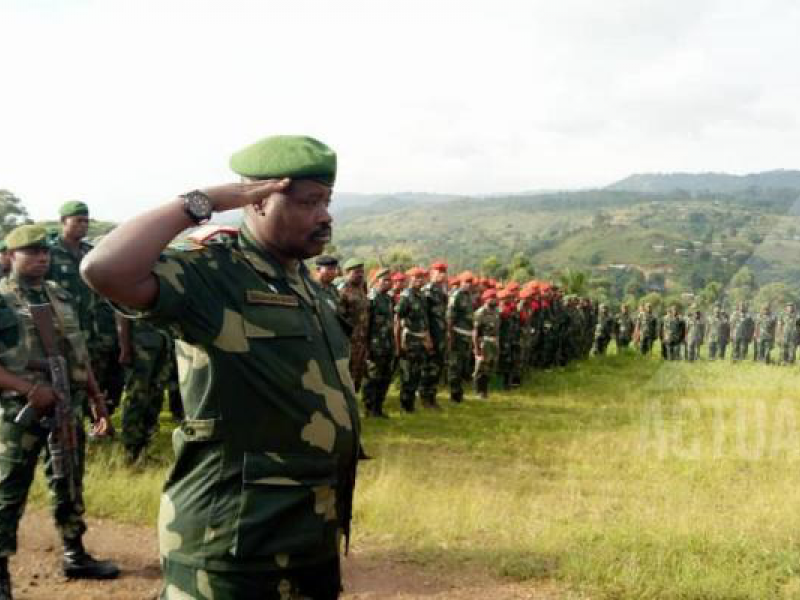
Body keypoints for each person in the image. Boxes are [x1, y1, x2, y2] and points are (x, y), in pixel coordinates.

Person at [81, 135, 360, 599]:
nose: (325, 215)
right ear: (259, 201)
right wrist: (204, 201)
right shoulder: (215, 272)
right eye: (310, 201)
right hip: (233, 538)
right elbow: (105, 269)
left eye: (327, 201)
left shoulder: (307, 286)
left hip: (309, 532)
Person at [0, 225, 118, 600]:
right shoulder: (2, 300)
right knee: (8, 489)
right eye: (31, 251)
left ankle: (74, 553)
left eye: (45, 251)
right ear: (9, 256)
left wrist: (97, 395)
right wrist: (29, 390)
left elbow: (77, 352)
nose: (41, 257)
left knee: (68, 479)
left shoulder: (61, 295)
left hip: (66, 403)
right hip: (16, 412)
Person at [394, 267, 432, 412]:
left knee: (417, 373)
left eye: (421, 277)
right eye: (416, 278)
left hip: (421, 340)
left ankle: (411, 403)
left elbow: (424, 319)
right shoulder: (406, 296)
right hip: (409, 340)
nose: (419, 280)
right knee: (408, 374)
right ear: (410, 279)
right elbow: (397, 320)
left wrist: (428, 339)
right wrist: (398, 344)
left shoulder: (421, 296)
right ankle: (405, 404)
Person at [362, 268, 395, 417]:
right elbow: (365, 325)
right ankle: (369, 407)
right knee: (373, 378)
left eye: (389, 280)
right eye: (385, 280)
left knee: (385, 377)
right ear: (377, 281)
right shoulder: (371, 299)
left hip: (387, 345)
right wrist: (366, 347)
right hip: (374, 346)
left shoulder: (388, 299)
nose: (388, 282)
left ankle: (378, 407)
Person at [419, 262, 449, 408]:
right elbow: (423, 316)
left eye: (444, 272)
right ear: (431, 272)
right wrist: (427, 337)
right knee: (428, 366)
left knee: (437, 366)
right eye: (439, 271)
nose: (441, 274)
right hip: (431, 334)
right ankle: (425, 396)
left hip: (440, 334)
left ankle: (432, 396)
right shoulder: (427, 291)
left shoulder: (441, 291)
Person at [337, 259, 369, 391]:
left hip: (362, 340)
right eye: (356, 272)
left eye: (361, 272)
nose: (360, 275)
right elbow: (339, 317)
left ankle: (353, 402)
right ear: (347, 273)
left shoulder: (362, 288)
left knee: (359, 372)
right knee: (346, 374)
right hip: (348, 341)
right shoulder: (342, 290)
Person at [446, 272, 474, 403]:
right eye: (466, 282)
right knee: (455, 366)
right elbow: (450, 317)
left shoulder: (468, 296)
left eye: (470, 282)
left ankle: (459, 392)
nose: (468, 284)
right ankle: (454, 394)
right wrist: (450, 336)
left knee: (463, 365)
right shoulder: (455, 295)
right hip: (457, 334)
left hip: (466, 336)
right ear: (460, 282)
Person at [473, 288, 500, 399]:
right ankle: (479, 391)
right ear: (486, 299)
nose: (494, 300)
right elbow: (475, 332)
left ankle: (485, 391)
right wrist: (477, 348)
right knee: (481, 368)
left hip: (493, 342)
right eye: (492, 298)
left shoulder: (496, 312)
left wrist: (498, 343)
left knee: (490, 367)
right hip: (483, 342)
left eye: (495, 297)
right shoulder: (480, 313)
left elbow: (497, 330)